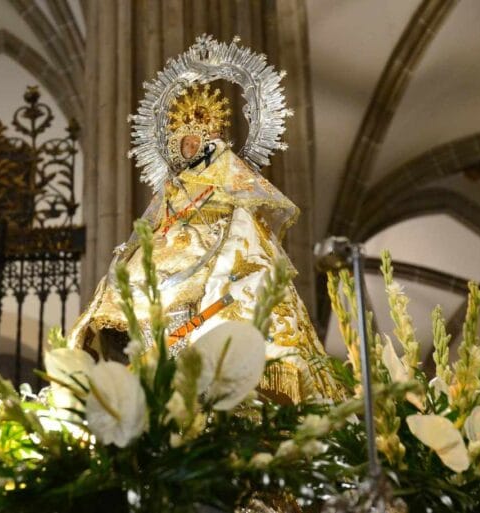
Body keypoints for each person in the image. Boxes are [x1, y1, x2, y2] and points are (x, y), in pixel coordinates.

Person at [68, 82, 338, 404]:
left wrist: (219, 227)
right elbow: (156, 220)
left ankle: (193, 367)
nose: (190, 146)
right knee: (133, 289)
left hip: (210, 242)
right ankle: (144, 365)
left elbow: (245, 205)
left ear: (208, 140)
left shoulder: (225, 169)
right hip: (168, 248)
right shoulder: (174, 183)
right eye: (184, 142)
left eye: (195, 140)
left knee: (212, 295)